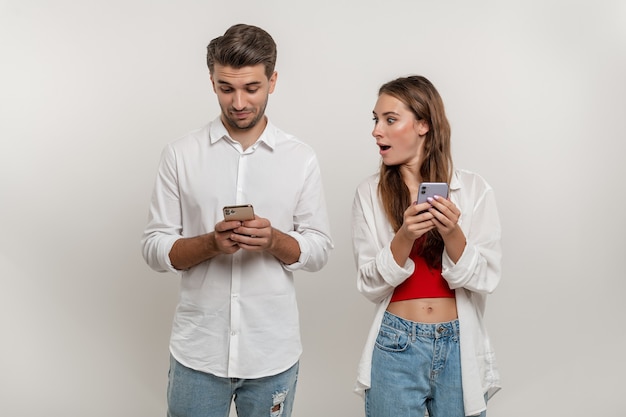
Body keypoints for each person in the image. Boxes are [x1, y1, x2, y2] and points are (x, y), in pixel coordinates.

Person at [141, 23, 333, 417]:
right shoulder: (180, 154)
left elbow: (318, 250)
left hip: (271, 353)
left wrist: (275, 240)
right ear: (212, 82)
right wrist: (211, 244)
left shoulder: (301, 158)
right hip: (198, 352)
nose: (239, 101)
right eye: (226, 88)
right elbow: (154, 247)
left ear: (273, 81)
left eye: (251, 88)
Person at [351, 75, 502, 417]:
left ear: (423, 124)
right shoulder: (369, 193)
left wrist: (452, 233)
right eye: (376, 120)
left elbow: (487, 278)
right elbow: (369, 284)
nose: (377, 131)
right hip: (395, 344)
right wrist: (404, 235)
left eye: (390, 120)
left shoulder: (475, 189)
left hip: (459, 345)